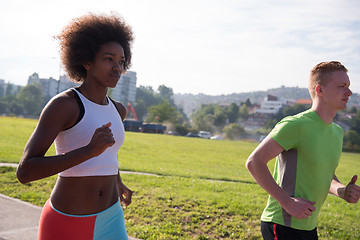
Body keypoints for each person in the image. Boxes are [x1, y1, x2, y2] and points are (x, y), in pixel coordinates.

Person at [17, 13, 134, 240]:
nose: (117, 67)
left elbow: (107, 154)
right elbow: (25, 171)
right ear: (87, 61)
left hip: (111, 216)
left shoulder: (118, 109)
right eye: (109, 59)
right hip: (66, 221)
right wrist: (88, 151)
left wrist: (117, 181)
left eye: (121, 61)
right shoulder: (65, 105)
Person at [246, 61, 360, 240]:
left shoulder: (337, 132)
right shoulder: (296, 125)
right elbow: (254, 162)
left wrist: (342, 190)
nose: (349, 92)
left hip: (309, 227)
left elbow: (325, 174)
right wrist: (288, 203)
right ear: (320, 90)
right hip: (282, 225)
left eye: (348, 86)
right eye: (341, 86)